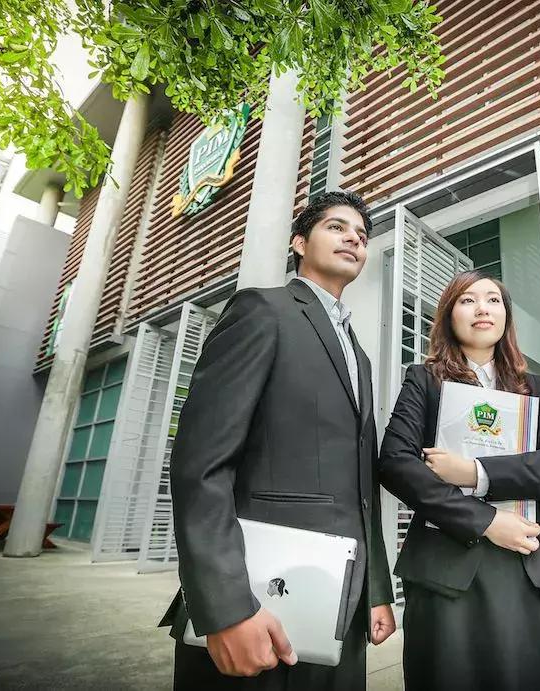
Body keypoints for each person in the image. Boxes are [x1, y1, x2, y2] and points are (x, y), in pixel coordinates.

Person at [160, 191, 395, 689]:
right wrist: (225, 607)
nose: (354, 237)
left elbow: (361, 487)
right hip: (258, 599)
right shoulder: (261, 311)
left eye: (362, 233)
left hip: (338, 602)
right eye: (337, 226)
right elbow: (200, 465)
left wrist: (376, 590)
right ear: (299, 242)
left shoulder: (359, 356)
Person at [380, 269, 540, 690]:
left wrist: (476, 473)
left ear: (506, 316)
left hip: (523, 564)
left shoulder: (533, 389)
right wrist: (485, 520)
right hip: (447, 566)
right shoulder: (425, 379)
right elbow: (396, 462)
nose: (482, 308)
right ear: (450, 316)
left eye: (493, 299)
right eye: (467, 300)